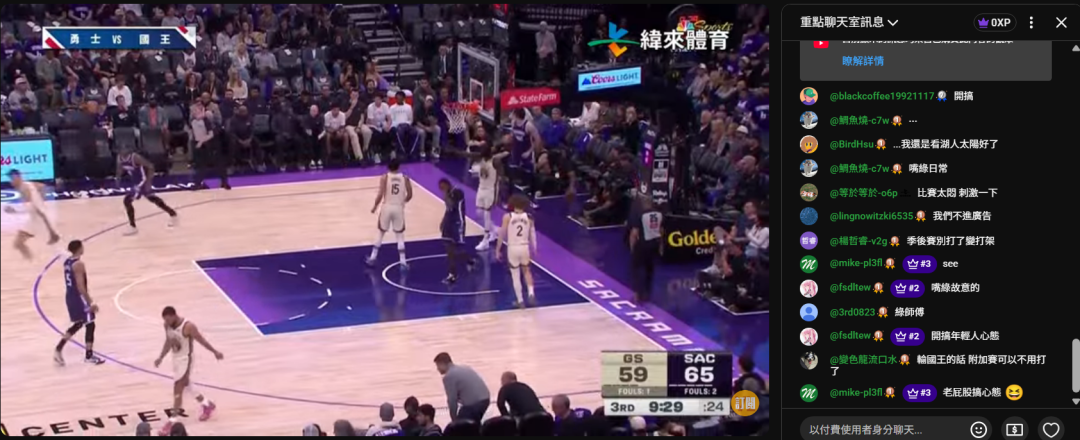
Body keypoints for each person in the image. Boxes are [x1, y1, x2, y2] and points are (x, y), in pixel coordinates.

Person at [154, 306, 222, 436]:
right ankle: (207, 404)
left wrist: (215, 351)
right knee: (187, 384)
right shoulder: (167, 325)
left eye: (168, 320)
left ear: (174, 316)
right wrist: (161, 357)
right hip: (176, 359)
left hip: (186, 360)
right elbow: (168, 341)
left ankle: (172, 421)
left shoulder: (188, 326)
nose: (166, 322)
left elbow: (202, 340)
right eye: (165, 320)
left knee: (178, 389)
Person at [51, 240, 106, 366]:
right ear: (79, 249)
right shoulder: (79, 264)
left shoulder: (67, 262)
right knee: (90, 324)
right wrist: (90, 302)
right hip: (79, 297)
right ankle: (89, 356)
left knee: (78, 323)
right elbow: (81, 286)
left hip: (70, 297)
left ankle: (58, 349)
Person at [116, 149, 179, 235]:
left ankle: (133, 227)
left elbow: (150, 166)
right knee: (152, 198)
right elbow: (120, 168)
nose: (122, 150)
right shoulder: (119, 158)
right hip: (136, 182)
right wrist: (118, 178)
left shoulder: (135, 157)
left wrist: (148, 182)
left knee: (127, 200)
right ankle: (173, 214)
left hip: (142, 181)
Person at [5, 170, 61, 260]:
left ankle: (33, 261)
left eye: (12, 179)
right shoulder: (28, 184)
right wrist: (41, 201)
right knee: (18, 243)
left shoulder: (24, 188)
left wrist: (14, 210)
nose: (10, 182)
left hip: (38, 220)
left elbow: (30, 207)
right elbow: (42, 186)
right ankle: (32, 261)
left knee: (18, 244)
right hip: (36, 218)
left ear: (17, 177)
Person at [367, 158, 412, 268]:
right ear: (399, 166)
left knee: (381, 233)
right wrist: (402, 201)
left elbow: (380, 195)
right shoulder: (405, 178)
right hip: (398, 208)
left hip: (387, 207)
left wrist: (374, 206)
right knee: (400, 235)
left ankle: (373, 257)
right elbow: (410, 195)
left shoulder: (385, 177)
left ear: (388, 167)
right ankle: (403, 262)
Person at [495, 194, 538, 308]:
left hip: (513, 247)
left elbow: (502, 234)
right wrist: (534, 248)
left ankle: (520, 301)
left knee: (515, 274)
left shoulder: (507, 217)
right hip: (524, 247)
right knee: (527, 271)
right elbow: (532, 235)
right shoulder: (529, 217)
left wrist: (498, 249)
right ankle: (531, 293)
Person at [434, 352, 491, 423]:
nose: (437, 369)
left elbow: (452, 401)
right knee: (472, 420)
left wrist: (454, 420)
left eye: (438, 365)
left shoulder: (449, 376)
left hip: (474, 404)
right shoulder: (465, 367)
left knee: (462, 425)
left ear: (442, 363)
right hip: (485, 399)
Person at [438, 178, 475, 284]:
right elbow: (448, 210)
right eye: (440, 188)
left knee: (456, 250)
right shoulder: (448, 193)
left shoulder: (458, 192)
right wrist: (443, 221)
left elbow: (451, 206)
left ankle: (468, 260)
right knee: (449, 249)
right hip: (448, 223)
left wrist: (445, 195)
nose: (442, 189)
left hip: (458, 223)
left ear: (447, 184)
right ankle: (453, 274)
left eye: (443, 187)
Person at [628, 196, 663, 304]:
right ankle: (647, 293)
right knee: (649, 269)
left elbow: (634, 233)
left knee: (636, 269)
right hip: (654, 245)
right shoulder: (659, 214)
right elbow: (661, 231)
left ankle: (637, 295)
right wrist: (661, 246)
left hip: (643, 245)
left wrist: (632, 248)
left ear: (645, 203)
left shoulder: (641, 215)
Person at [474, 148, 506, 250]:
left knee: (487, 214)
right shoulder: (482, 160)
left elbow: (501, 176)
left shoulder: (495, 162)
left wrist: (499, 193)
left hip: (491, 190)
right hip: (481, 188)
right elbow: (468, 155)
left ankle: (485, 240)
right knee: (479, 213)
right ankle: (494, 230)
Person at [509, 108, 542, 207]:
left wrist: (529, 152)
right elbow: (513, 136)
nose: (511, 115)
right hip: (516, 152)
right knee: (512, 176)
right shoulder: (513, 123)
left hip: (526, 153)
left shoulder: (528, 125)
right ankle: (510, 200)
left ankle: (531, 200)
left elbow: (537, 139)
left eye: (512, 113)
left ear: (516, 114)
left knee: (529, 177)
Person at [365, 92, 392, 164]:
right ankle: (376, 153)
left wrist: (388, 125)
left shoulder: (385, 106)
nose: (377, 101)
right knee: (376, 134)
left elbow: (389, 118)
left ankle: (388, 152)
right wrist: (380, 126)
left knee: (390, 132)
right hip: (373, 124)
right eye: (376, 99)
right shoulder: (370, 107)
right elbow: (370, 120)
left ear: (381, 99)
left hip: (383, 123)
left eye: (379, 99)